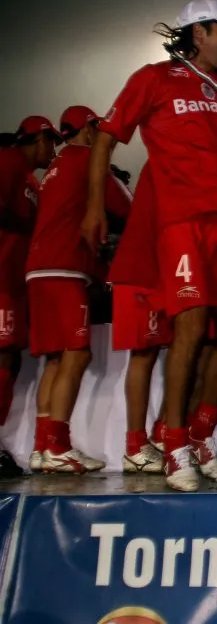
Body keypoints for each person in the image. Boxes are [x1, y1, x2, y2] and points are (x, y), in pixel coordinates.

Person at [82, 0, 217, 491]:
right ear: (198, 32)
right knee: (188, 330)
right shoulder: (153, 79)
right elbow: (106, 139)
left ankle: (201, 434)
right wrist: (95, 208)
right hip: (181, 221)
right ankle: (172, 447)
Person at [26, 107, 132, 473]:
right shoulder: (88, 158)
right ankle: (58, 445)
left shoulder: (56, 165)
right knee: (76, 354)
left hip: (38, 270)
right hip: (64, 269)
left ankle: (43, 446)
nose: (105, 135)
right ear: (87, 130)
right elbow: (125, 205)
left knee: (55, 358)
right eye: (98, 127)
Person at [0, 118, 55, 477]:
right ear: (37, 140)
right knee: (3, 355)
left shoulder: (33, 180)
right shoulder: (8, 161)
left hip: (17, 283)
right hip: (1, 278)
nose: (53, 151)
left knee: (11, 360)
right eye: (51, 142)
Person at [109, 163, 169, 473]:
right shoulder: (162, 163)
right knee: (144, 354)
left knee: (174, 348)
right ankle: (135, 446)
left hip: (161, 267)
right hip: (143, 268)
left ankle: (159, 435)